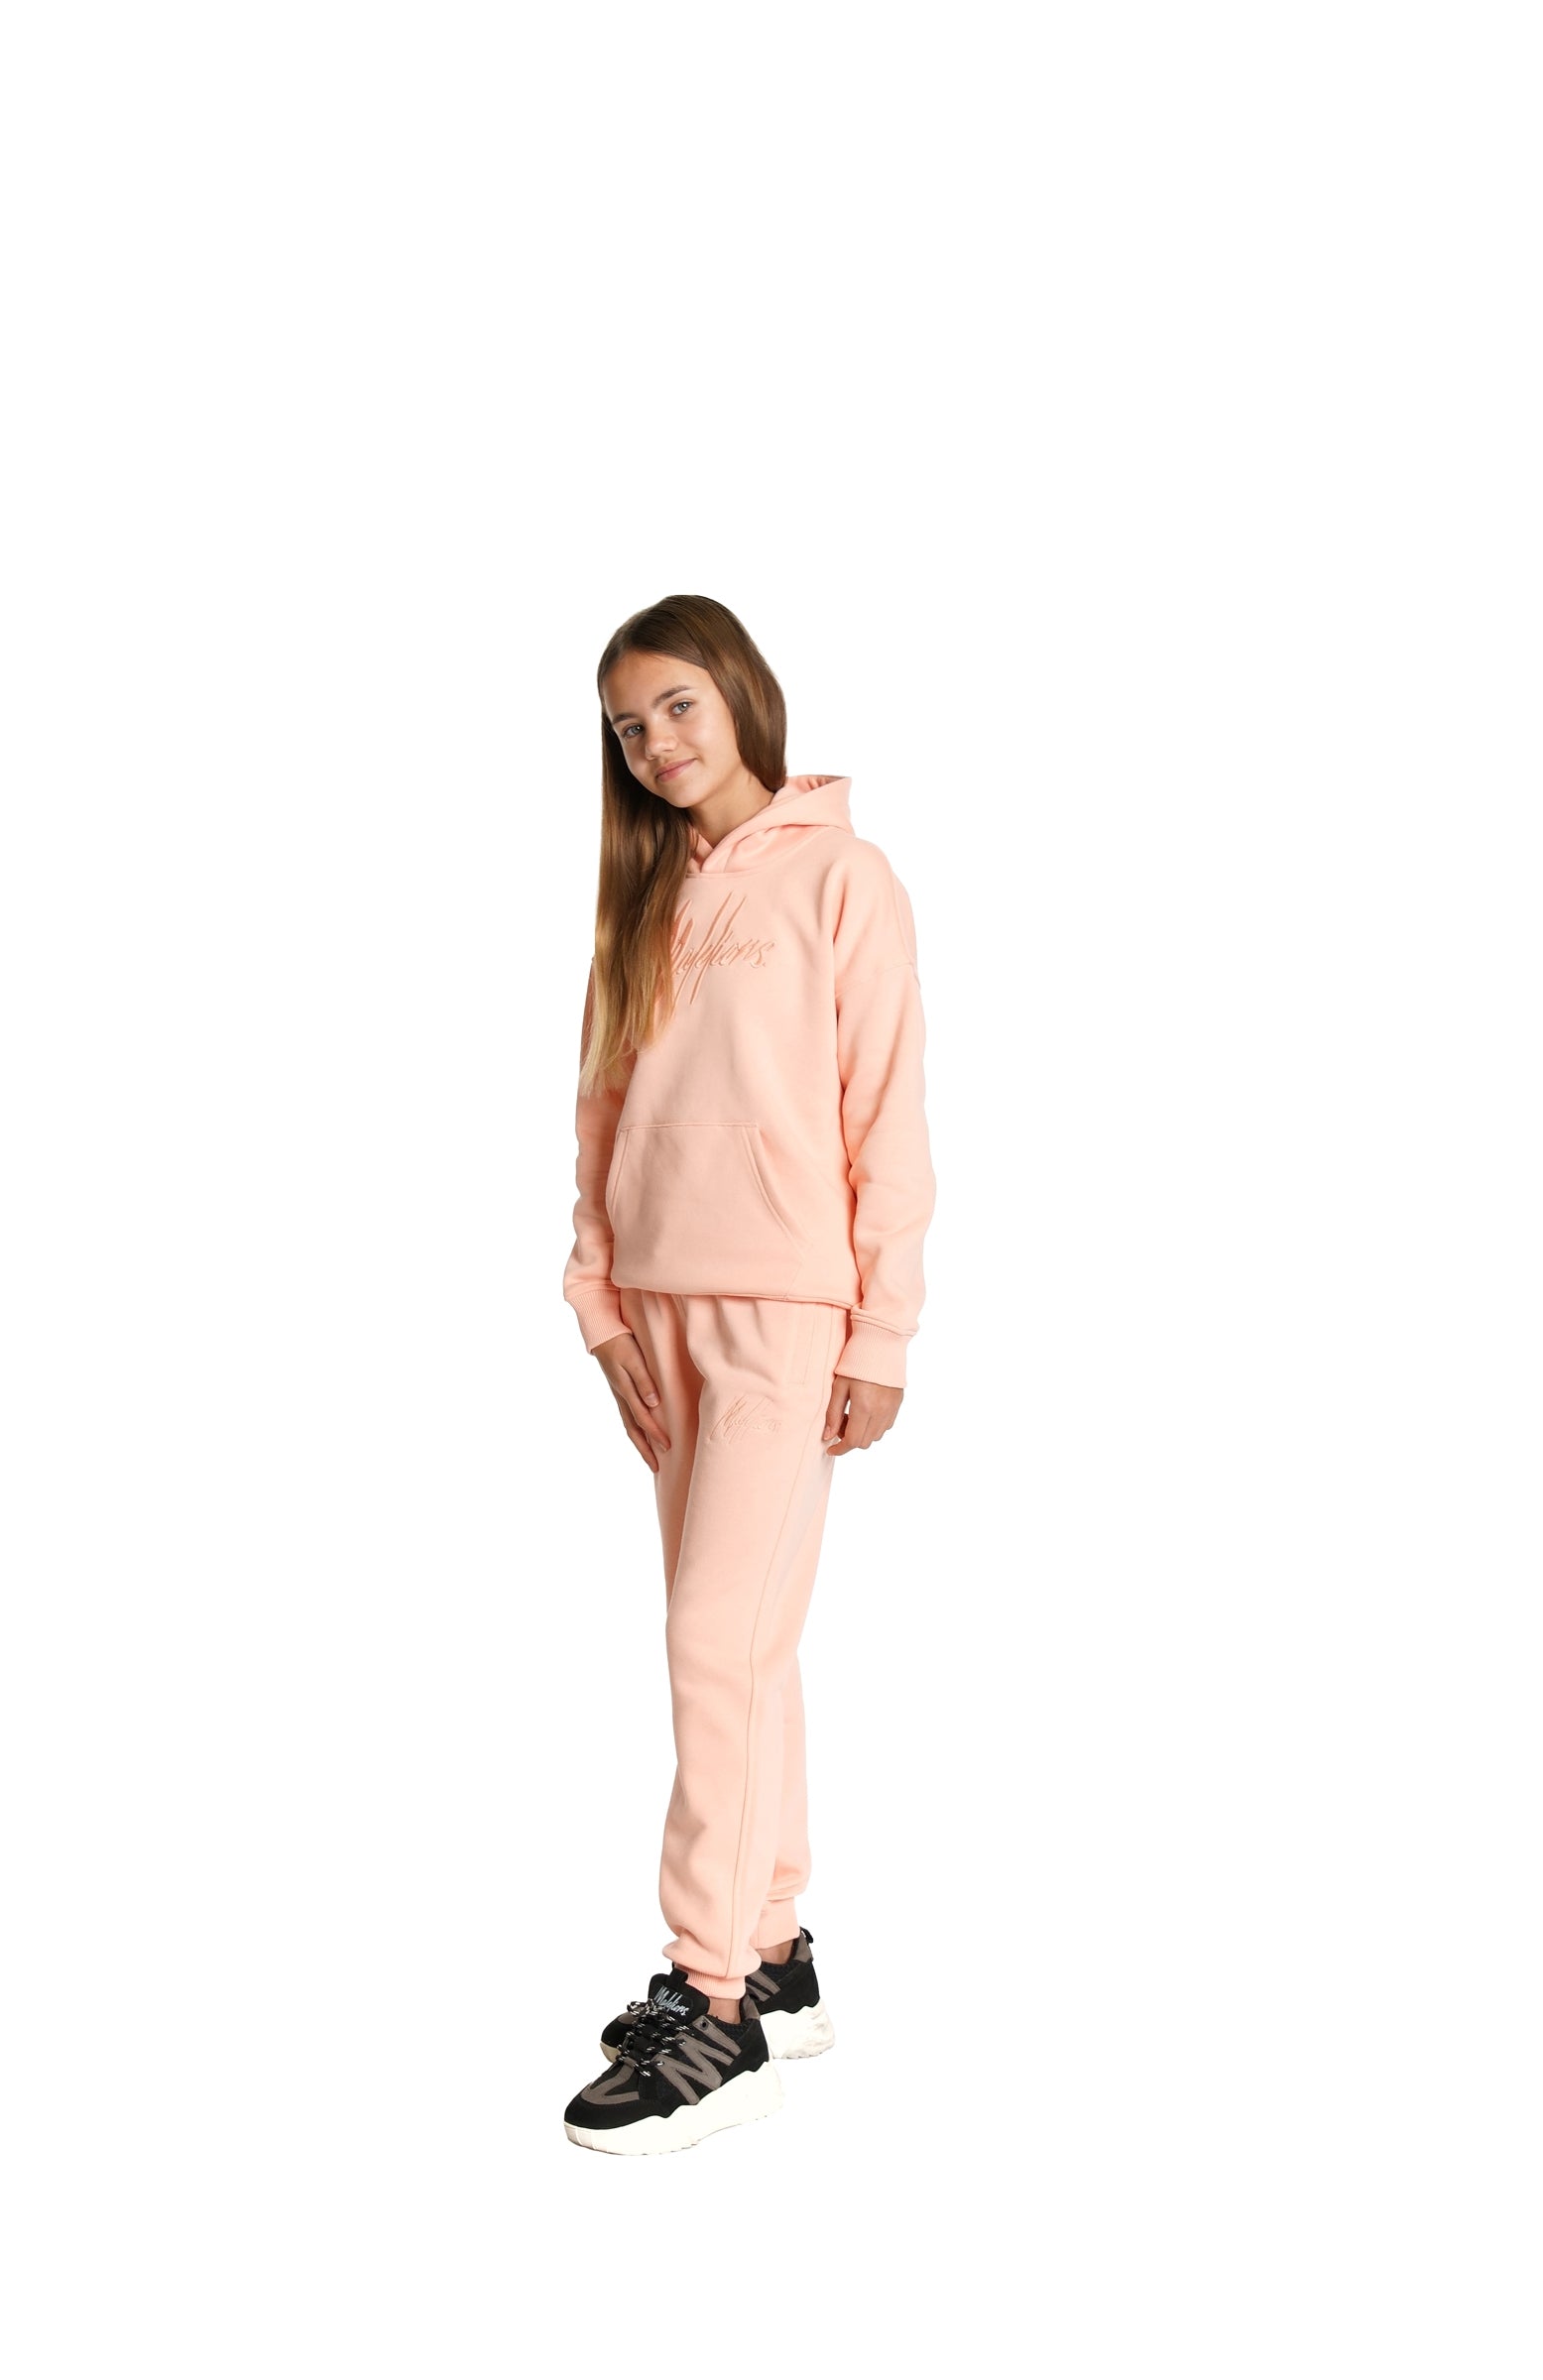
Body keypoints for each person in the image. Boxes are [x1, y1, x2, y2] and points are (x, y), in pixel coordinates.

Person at [558, 593, 935, 2155]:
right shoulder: (643, 898)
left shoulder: (844, 877)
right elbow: (601, 1108)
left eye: (677, 706)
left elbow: (885, 1111)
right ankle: (771, 1950)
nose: (655, 742)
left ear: (740, 694)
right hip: (659, 1308)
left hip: (784, 1308)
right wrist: (599, 1307)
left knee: (713, 1639)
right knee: (745, 1649)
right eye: (627, 726)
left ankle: (708, 2001)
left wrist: (882, 1329)